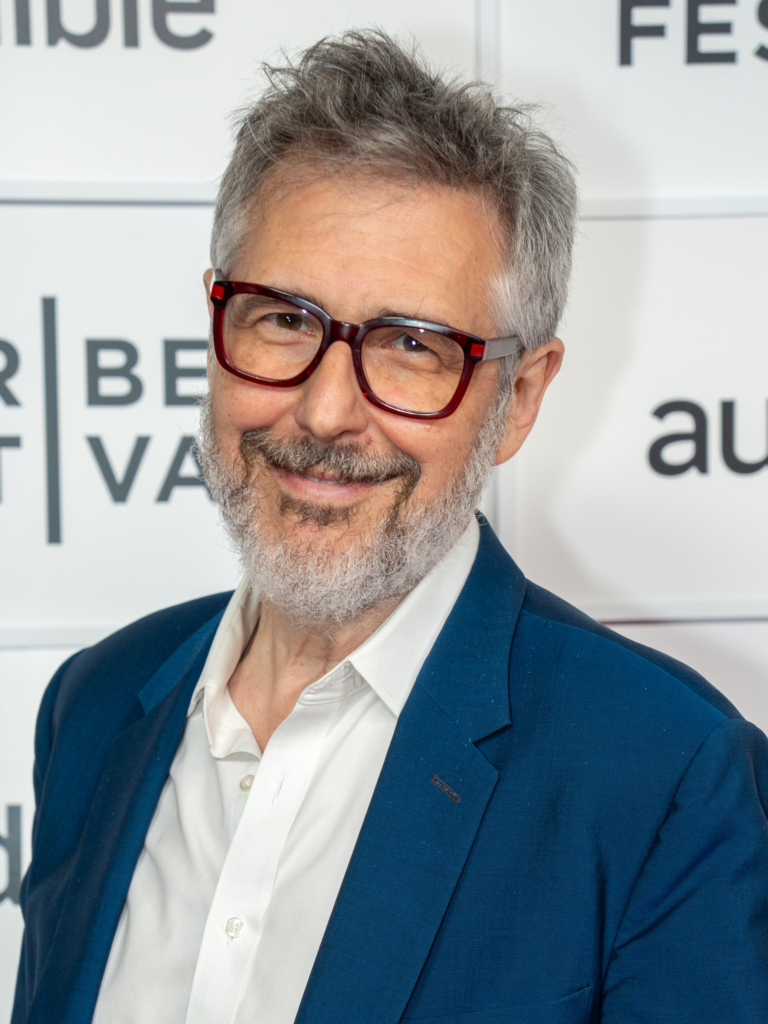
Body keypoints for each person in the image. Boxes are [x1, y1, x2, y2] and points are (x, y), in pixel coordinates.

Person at [13, 30, 768, 1024]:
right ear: (217, 324)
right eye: (284, 319)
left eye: (412, 344)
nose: (326, 411)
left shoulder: (666, 775)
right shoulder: (94, 706)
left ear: (520, 397)